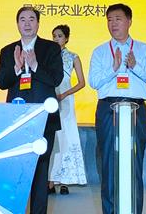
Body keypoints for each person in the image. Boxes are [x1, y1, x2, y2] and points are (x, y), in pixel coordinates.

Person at [88, 3, 146, 214]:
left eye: (118, 19)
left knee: (134, 162)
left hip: (135, 108)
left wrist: (136, 66)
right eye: (110, 20)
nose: (113, 24)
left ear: (129, 21)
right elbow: (93, 82)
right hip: (108, 109)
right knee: (109, 163)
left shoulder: (144, 49)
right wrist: (113, 69)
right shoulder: (100, 51)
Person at [0, 6, 62, 214]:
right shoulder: (8, 50)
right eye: (22, 19)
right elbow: (1, 82)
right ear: (17, 24)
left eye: (31, 19)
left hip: (44, 117)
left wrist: (34, 65)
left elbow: (56, 79)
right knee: (17, 170)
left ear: (38, 23)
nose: (27, 23)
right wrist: (16, 67)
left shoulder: (51, 48)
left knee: (40, 171)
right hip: (17, 119)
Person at [48, 24, 87, 194]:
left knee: (66, 136)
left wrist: (64, 94)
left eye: (60, 36)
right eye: (54, 36)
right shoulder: (48, 56)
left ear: (67, 38)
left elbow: (81, 82)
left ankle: (65, 181)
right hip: (51, 99)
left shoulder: (73, 56)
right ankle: (50, 180)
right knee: (53, 137)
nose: (56, 39)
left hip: (65, 100)